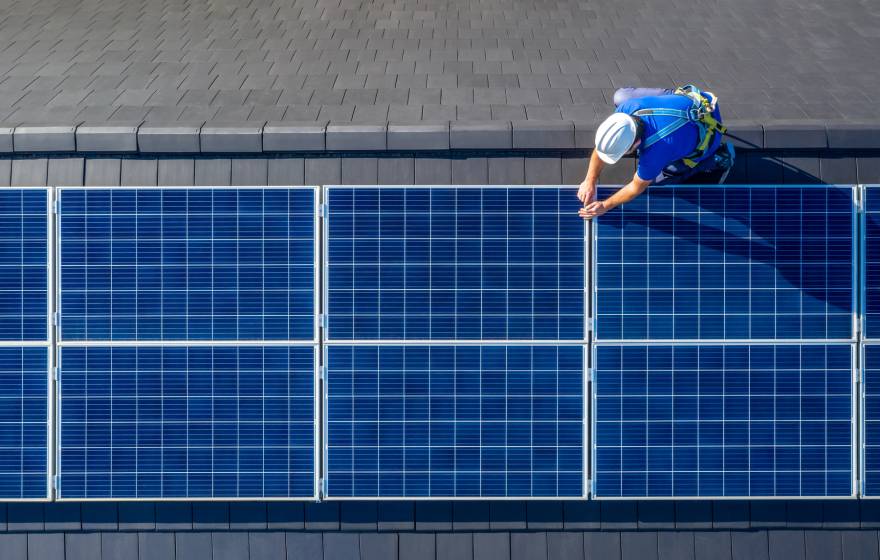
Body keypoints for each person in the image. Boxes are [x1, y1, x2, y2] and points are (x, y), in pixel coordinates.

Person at [577, 85, 735, 219]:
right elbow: (602, 148)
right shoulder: (626, 110)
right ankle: (672, 100)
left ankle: (717, 158)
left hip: (709, 132)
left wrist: (605, 205)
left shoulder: (655, 153)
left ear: (637, 143)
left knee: (660, 181)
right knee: (620, 95)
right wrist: (589, 181)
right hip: (696, 99)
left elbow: (636, 187)